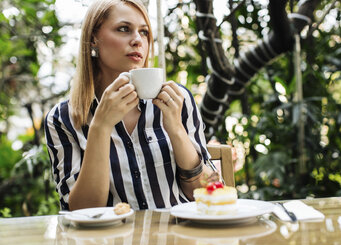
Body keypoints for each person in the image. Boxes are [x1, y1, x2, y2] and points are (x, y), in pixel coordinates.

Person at [44, 0, 214, 211]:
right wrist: (100, 127)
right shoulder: (63, 118)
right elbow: (81, 211)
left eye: (144, 32)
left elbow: (210, 193)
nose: (137, 40)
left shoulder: (177, 99)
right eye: (124, 29)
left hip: (178, 236)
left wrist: (177, 130)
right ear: (93, 39)